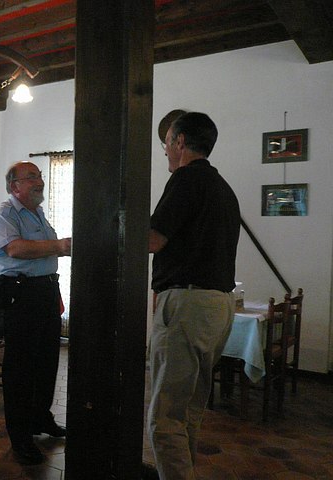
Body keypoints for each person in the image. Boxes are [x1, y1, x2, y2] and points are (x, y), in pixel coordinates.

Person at [148, 112, 240, 479]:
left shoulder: (186, 179)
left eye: (167, 142)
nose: (165, 150)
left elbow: (154, 240)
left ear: (181, 142)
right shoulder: (222, 187)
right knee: (188, 409)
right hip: (218, 305)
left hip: (188, 305)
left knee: (165, 416)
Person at [0, 161, 71, 465]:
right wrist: (59, 245)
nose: (39, 182)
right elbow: (16, 249)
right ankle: (20, 436)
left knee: (47, 361)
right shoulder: (4, 214)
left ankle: (40, 418)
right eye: (31, 177)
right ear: (14, 186)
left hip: (45, 291)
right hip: (20, 294)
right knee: (21, 368)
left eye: (40, 176)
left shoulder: (37, 214)